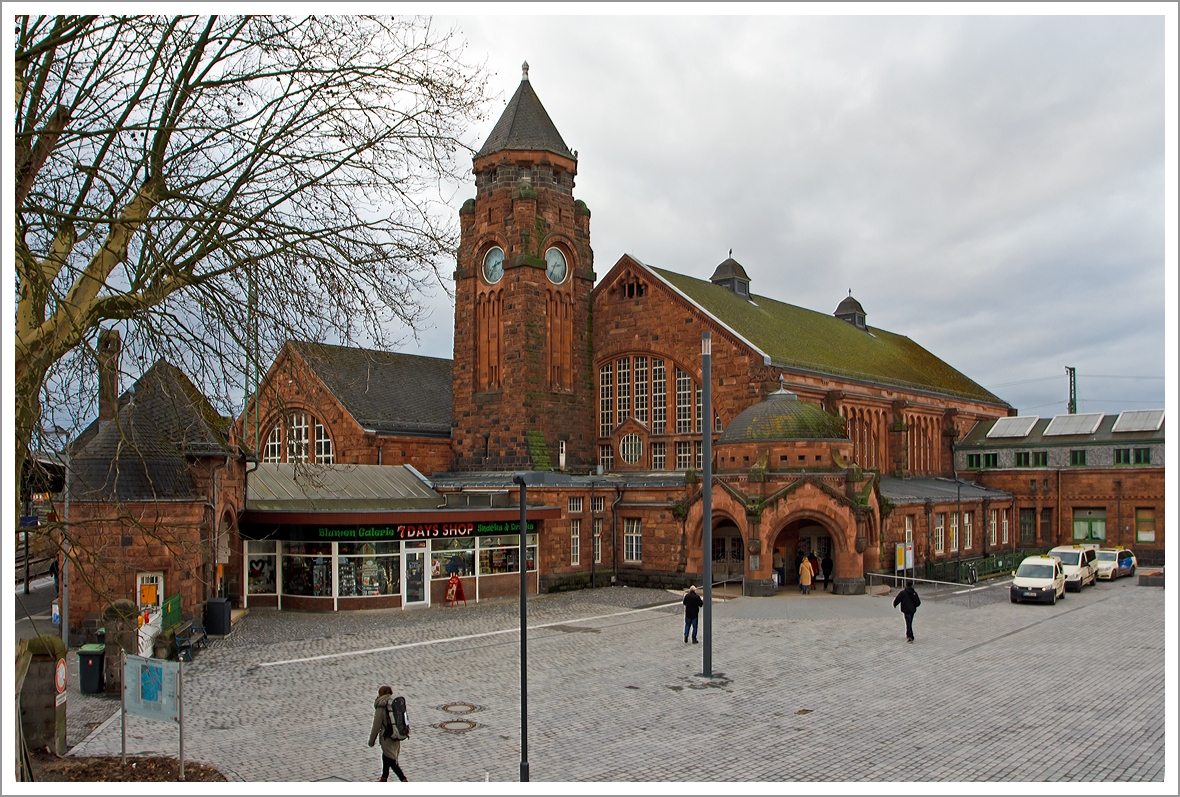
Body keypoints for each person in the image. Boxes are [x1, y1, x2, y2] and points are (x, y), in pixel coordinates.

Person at [368, 685, 408, 782]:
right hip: (396, 734)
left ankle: (403, 779)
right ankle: (384, 777)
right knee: (386, 756)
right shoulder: (393, 703)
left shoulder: (381, 706)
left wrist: (371, 741)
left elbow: (376, 725)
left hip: (387, 737)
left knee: (391, 760)